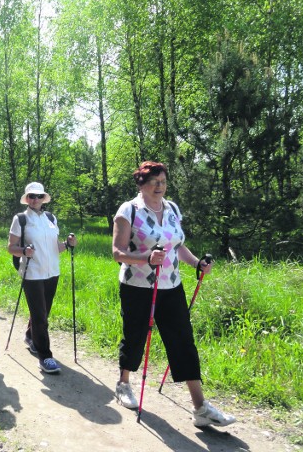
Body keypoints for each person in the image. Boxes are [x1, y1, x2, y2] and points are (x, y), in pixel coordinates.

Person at [112, 161, 236, 427]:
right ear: (141, 184)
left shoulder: (172, 209)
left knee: (182, 342)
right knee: (135, 336)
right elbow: (118, 253)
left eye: (164, 181)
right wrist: (147, 257)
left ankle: (200, 407)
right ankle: (123, 384)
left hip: (171, 285)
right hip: (137, 286)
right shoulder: (128, 210)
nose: (160, 186)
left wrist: (197, 264)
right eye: (154, 181)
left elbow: (177, 245)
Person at [7, 182, 76, 374]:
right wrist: (23, 251)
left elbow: (55, 247)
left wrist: (68, 244)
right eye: (31, 196)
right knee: (40, 316)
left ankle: (31, 336)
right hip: (32, 273)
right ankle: (45, 356)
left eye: (38, 196)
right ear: (27, 199)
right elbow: (11, 247)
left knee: (43, 313)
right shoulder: (20, 219)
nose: (35, 199)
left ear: (43, 198)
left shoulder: (51, 218)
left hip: (52, 272)